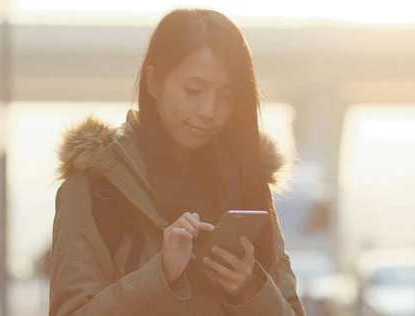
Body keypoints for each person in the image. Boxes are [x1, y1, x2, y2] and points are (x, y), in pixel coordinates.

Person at [49, 8, 305, 316]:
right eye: (193, 90)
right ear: (153, 80)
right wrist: (161, 276)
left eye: (226, 96)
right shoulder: (95, 188)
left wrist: (249, 289)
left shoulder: (248, 182)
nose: (209, 110)